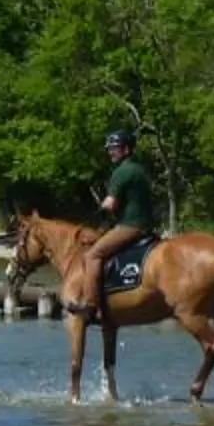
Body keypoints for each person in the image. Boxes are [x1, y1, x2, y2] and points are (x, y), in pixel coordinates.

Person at [67, 125, 160, 318]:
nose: (110, 152)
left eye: (114, 148)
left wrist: (94, 214)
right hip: (146, 225)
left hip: (130, 226)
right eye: (109, 148)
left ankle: (91, 305)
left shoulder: (122, 172)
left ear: (126, 149)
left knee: (92, 255)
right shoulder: (139, 170)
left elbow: (109, 204)